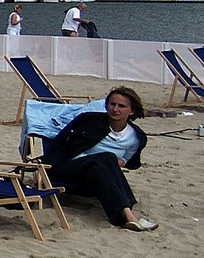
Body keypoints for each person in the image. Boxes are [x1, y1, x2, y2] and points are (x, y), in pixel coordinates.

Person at [37, 86, 156, 231]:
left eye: (121, 106)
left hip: (93, 177)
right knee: (107, 157)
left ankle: (123, 216)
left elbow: (125, 161)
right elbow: (61, 144)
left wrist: (111, 163)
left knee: (98, 168)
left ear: (132, 111)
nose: (115, 109)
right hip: (68, 170)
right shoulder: (89, 121)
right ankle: (130, 212)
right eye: (112, 104)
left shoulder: (136, 138)